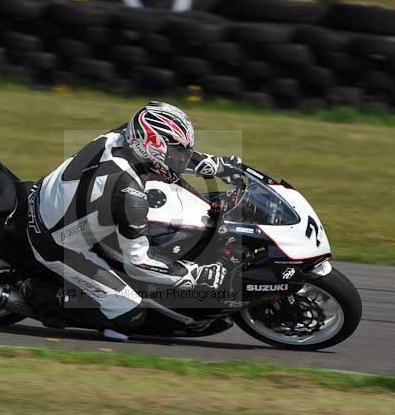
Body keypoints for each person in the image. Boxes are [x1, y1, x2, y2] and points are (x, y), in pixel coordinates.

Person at [24, 101, 240, 340]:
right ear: (152, 146)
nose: (181, 159)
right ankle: (39, 296)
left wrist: (215, 165)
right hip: (58, 243)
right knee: (131, 313)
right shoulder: (128, 194)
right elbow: (138, 262)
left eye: (183, 152)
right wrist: (193, 274)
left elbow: (165, 156)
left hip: (49, 194)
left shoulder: (126, 135)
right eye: (177, 153)